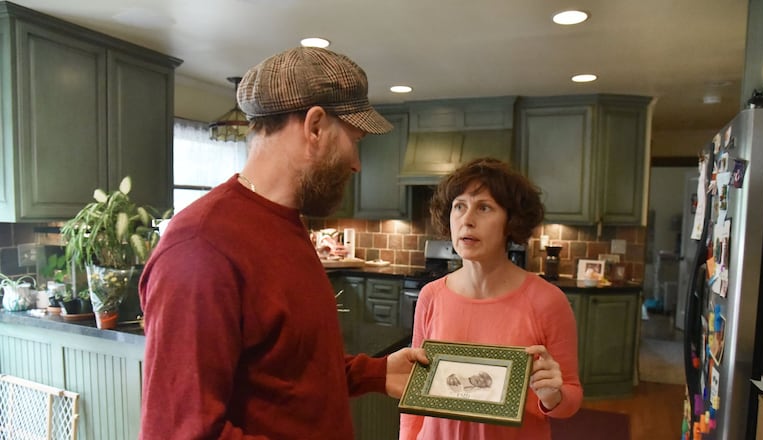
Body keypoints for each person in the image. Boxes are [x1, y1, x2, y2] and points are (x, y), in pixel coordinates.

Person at [139, 46, 428, 439]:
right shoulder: (201, 247)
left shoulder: (287, 225)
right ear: (315, 126)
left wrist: (375, 372)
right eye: (354, 139)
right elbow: (178, 432)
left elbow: (291, 370)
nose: (357, 162)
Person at [399, 158, 582, 440]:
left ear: (511, 222)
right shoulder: (431, 296)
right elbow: (416, 393)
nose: (467, 219)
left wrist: (552, 396)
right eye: (459, 206)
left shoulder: (547, 301)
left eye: (484, 207)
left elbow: (570, 399)